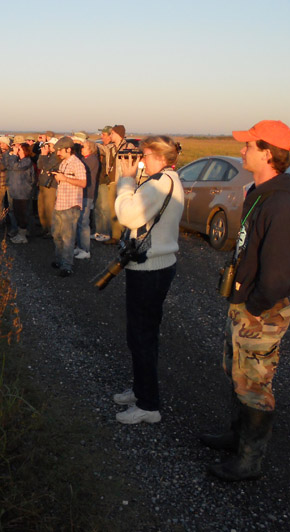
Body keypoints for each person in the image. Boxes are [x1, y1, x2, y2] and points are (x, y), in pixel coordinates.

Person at [202, 120, 290, 482]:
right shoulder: (258, 192)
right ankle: (236, 436)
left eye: (248, 146)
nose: (241, 150)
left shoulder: (279, 205)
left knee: (255, 385)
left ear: (267, 153)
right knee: (236, 373)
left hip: (260, 312)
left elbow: (281, 274)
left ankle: (249, 461)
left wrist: (255, 307)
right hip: (243, 304)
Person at [110, 135, 184, 424]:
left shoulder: (159, 183)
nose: (141, 161)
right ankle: (142, 390)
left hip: (150, 270)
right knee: (144, 334)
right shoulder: (169, 179)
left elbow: (129, 216)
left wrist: (126, 182)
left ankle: (148, 405)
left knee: (140, 336)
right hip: (156, 266)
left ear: (162, 158)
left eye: (146, 156)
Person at [50, 136, 87, 277]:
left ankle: (67, 266)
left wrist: (65, 178)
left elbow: (83, 183)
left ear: (68, 149)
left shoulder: (77, 164)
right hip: (60, 203)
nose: (58, 153)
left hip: (71, 205)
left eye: (60, 150)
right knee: (56, 234)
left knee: (68, 238)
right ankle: (59, 260)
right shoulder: (63, 163)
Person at [3, 142, 35, 244]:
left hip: (22, 192)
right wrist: (11, 154)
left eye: (20, 149)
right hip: (17, 191)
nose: (17, 151)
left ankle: (23, 236)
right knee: (17, 213)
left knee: (22, 214)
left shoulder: (26, 161)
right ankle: (20, 234)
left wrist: (13, 155)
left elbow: (16, 166)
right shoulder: (20, 160)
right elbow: (7, 165)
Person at [74, 139, 100, 260]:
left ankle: (85, 249)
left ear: (90, 149)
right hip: (82, 193)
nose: (81, 149)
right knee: (80, 221)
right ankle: (80, 246)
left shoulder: (92, 159)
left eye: (83, 147)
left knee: (84, 222)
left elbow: (79, 167)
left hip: (87, 193)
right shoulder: (87, 159)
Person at [93, 125, 115, 242]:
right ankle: (98, 231)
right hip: (98, 180)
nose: (101, 136)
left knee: (105, 208)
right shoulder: (102, 148)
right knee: (97, 207)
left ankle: (106, 232)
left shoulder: (111, 149)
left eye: (104, 135)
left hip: (105, 181)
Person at [36, 138, 60, 237]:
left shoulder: (57, 157)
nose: (47, 147)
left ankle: (51, 230)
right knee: (41, 207)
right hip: (43, 184)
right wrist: (43, 155)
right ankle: (44, 227)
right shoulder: (49, 155)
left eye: (49, 145)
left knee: (49, 208)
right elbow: (39, 165)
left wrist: (44, 155)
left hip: (51, 186)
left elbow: (46, 166)